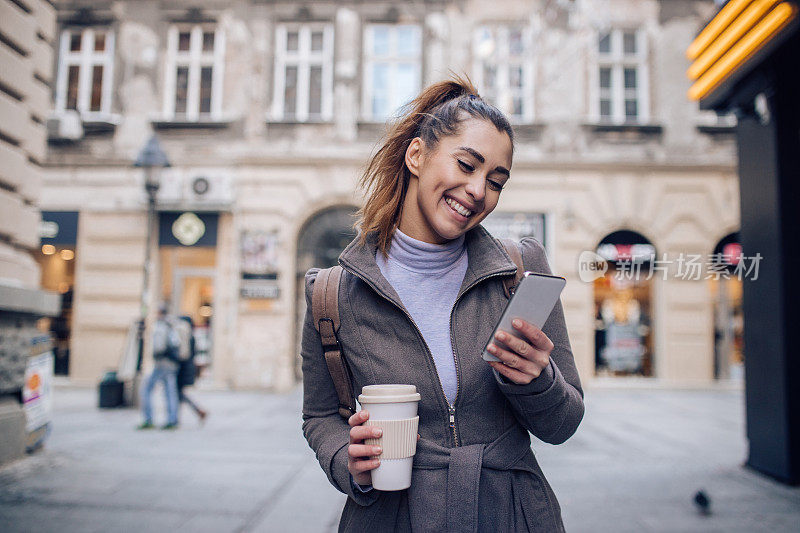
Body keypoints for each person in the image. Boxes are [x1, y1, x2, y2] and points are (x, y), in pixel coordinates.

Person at [301, 77, 585, 532]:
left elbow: (564, 422)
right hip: (392, 519)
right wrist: (346, 460)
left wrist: (537, 380)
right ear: (416, 155)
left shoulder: (519, 269)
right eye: (467, 165)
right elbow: (319, 416)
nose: (478, 191)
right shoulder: (332, 294)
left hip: (508, 515)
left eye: (496, 181)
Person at [137, 303, 181, 430]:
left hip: (162, 363)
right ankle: (172, 420)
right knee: (169, 392)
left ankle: (148, 419)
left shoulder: (161, 326)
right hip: (171, 364)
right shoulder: (172, 325)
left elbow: (159, 346)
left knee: (146, 389)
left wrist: (155, 356)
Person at [175, 315, 207, 423]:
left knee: (178, 393)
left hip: (183, 369)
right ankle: (197, 411)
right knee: (179, 393)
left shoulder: (186, 336)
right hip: (187, 369)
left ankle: (177, 416)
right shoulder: (190, 336)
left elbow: (184, 354)